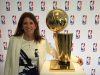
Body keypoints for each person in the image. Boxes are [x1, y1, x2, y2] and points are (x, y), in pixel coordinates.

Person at [4, 12, 83, 75]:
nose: (28, 26)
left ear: (35, 26)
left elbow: (56, 53)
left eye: (31, 23)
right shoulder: (13, 40)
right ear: (21, 26)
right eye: (25, 23)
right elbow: (8, 63)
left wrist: (75, 59)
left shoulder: (42, 41)